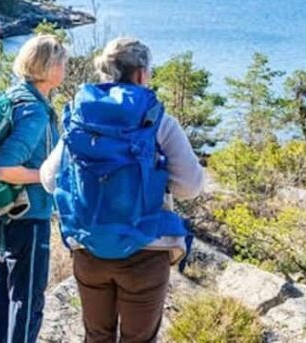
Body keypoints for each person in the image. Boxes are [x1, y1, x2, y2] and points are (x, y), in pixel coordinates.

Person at [40, 37, 204, 343]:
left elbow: (49, 178)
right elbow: (191, 187)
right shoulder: (158, 121)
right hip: (146, 250)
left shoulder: (81, 119)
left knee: (96, 337)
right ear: (141, 74)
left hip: (89, 249)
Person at [0, 34, 68, 343]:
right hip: (27, 218)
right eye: (62, 61)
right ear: (48, 67)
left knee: (0, 293)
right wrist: (46, 177)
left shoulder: (14, 96)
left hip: (0, 214)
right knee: (27, 300)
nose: (65, 67)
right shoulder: (33, 111)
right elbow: (7, 168)